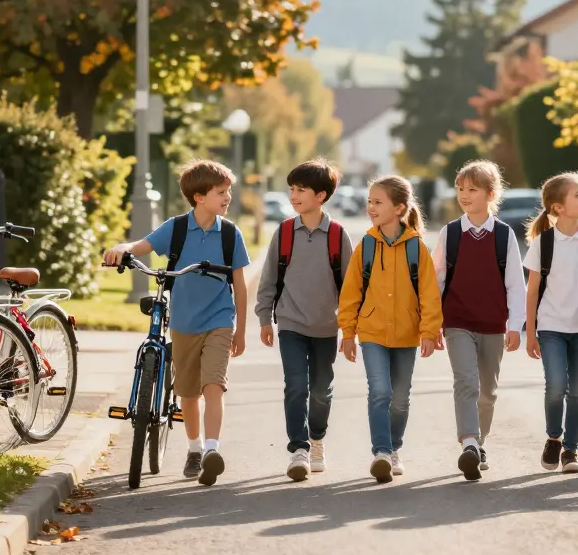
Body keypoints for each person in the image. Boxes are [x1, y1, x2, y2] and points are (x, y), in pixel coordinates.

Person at [103, 159, 251, 487]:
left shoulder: (230, 233)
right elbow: (141, 246)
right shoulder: (177, 228)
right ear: (199, 197)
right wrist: (121, 248)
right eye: (221, 192)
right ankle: (195, 449)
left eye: (228, 192)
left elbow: (239, 286)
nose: (228, 198)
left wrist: (240, 329)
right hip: (184, 321)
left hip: (219, 319)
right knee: (187, 392)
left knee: (214, 384)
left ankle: (212, 449)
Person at [338, 175, 443, 483]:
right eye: (369, 201)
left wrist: (428, 331)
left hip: (407, 333)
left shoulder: (416, 248)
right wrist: (347, 333)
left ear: (399, 208)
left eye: (377, 202)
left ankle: (395, 448)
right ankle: (381, 452)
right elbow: (351, 293)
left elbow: (429, 294)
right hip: (371, 333)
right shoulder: (366, 246)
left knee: (400, 397)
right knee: (380, 391)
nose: (370, 207)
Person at [255, 158, 354, 482]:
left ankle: (317, 440)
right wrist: (265, 318)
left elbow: (351, 288)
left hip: (327, 326)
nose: (294, 196)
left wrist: (350, 328)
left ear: (321, 196)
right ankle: (298, 449)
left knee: (321, 389)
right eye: (292, 189)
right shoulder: (284, 233)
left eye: (301, 190)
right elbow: (269, 278)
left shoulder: (338, 236)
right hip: (291, 323)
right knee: (296, 385)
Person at [431, 160, 526, 481]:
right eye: (460, 189)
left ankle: (479, 441)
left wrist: (516, 325)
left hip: (493, 325)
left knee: (488, 392)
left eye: (472, 189)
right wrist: (430, 324)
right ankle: (469, 442)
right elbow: (436, 281)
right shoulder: (450, 234)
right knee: (466, 382)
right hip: (456, 321)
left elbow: (515, 283)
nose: (464, 195)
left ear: (490, 194)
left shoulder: (503, 235)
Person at [523, 172, 578, 474]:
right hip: (550, 328)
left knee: (577, 390)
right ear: (558, 207)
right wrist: (530, 333)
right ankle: (553, 437)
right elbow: (532, 291)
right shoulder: (542, 243)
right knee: (556, 386)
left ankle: (571, 450)